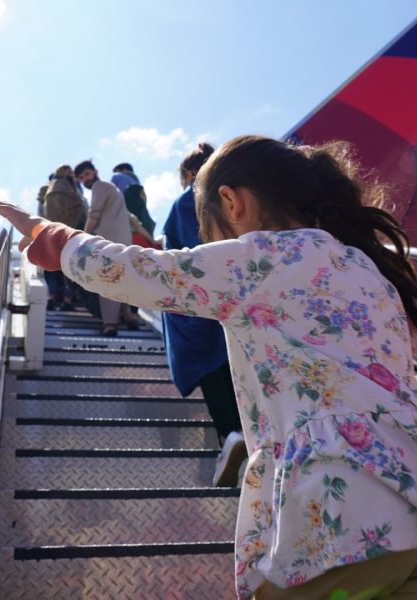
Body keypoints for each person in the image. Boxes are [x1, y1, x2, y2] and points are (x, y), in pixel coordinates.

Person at [0, 135, 417, 599]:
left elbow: (151, 274)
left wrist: (50, 235)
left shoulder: (264, 257)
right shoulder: (374, 274)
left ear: (233, 202)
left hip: (340, 520)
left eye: (208, 231)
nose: (210, 243)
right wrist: (416, 407)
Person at [163, 142, 246, 487]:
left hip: (195, 306)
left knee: (211, 374)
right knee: (233, 371)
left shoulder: (187, 202)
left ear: (187, 174)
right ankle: (243, 439)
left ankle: (229, 439)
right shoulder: (234, 198)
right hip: (232, 301)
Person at [73, 159, 138, 335]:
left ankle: (110, 323)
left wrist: (84, 237)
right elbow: (131, 219)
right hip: (124, 240)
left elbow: (94, 214)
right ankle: (129, 316)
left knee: (107, 280)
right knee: (123, 279)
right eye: (81, 177)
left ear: (95, 171)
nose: (85, 179)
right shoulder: (114, 189)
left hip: (109, 241)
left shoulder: (99, 187)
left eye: (87, 174)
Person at [42, 165, 87, 310]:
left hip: (52, 233)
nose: (71, 173)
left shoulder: (49, 191)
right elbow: (78, 209)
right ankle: (66, 300)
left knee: (55, 269)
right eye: (67, 170)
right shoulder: (67, 189)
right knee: (67, 269)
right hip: (68, 233)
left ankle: (53, 299)